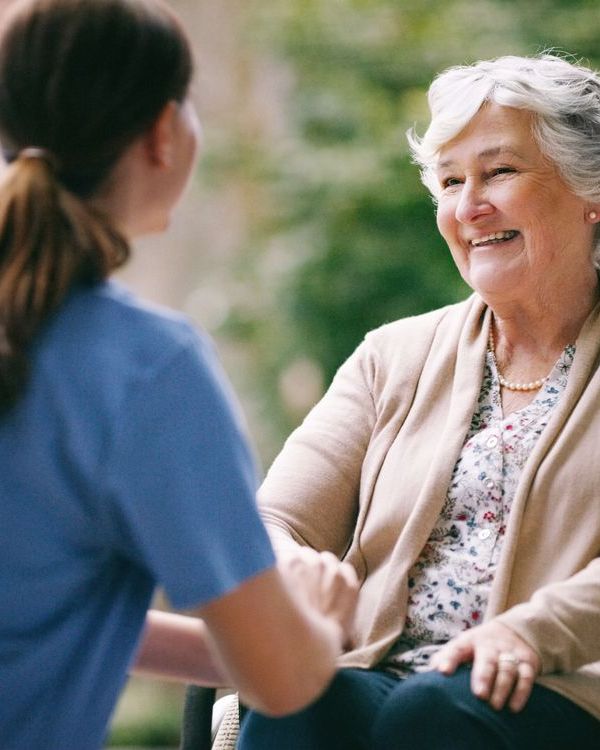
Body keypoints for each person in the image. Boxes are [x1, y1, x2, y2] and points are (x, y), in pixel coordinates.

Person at [0, 1, 359, 749]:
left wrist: (239, 640)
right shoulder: (147, 369)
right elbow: (285, 683)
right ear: (164, 133)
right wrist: (318, 624)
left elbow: (40, 601)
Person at [238, 53, 600, 750]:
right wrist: (296, 568)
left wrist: (530, 632)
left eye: (499, 172)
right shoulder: (392, 355)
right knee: (303, 702)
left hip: (564, 688)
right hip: (386, 675)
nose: (469, 207)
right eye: (449, 182)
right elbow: (275, 519)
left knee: (432, 715)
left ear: (591, 190)